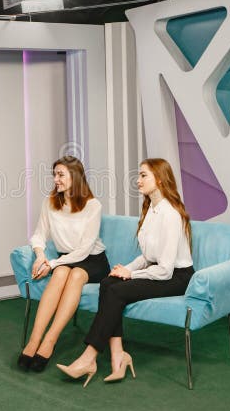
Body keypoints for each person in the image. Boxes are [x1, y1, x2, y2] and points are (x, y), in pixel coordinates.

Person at [57, 158, 194, 387]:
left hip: (177, 277)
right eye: (138, 175)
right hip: (158, 271)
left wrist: (131, 275)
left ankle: (89, 358)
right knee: (108, 282)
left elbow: (165, 269)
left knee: (116, 291)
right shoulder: (151, 208)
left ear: (159, 180)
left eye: (143, 176)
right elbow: (147, 256)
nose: (138, 180)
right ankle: (117, 355)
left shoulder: (170, 214)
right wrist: (126, 269)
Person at [18, 156, 109, 372]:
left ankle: (50, 340)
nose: (55, 179)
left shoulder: (92, 205)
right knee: (60, 274)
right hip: (65, 258)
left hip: (92, 260)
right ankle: (34, 340)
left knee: (75, 274)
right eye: (54, 175)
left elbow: (85, 249)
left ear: (75, 177)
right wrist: (41, 256)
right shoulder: (50, 202)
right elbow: (39, 235)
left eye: (61, 175)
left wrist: (53, 263)